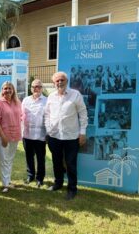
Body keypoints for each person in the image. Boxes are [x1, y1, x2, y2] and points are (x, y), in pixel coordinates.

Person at [44, 72, 88, 200]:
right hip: (54, 136)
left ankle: (72, 188)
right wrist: (48, 129)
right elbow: (47, 114)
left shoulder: (75, 95)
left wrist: (83, 132)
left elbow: (83, 113)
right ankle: (58, 183)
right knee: (56, 162)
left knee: (70, 163)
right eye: (57, 81)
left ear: (66, 81)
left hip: (71, 137)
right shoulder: (51, 96)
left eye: (62, 80)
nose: (59, 82)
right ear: (54, 83)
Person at [0, 81, 22, 193]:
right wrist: (3, 137)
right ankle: (5, 184)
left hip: (15, 135)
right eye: (5, 88)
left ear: (13, 90)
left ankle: (8, 181)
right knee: (4, 160)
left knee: (9, 159)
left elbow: (21, 116)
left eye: (10, 88)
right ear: (2, 90)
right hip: (3, 136)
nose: (8, 90)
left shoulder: (17, 102)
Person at [22, 79, 47, 188]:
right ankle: (30, 175)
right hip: (27, 134)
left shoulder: (46, 100)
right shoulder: (26, 100)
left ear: (42, 88)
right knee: (29, 156)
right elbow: (21, 115)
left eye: (38, 86)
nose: (36, 88)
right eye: (34, 86)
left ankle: (40, 178)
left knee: (40, 158)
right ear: (31, 88)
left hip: (41, 135)